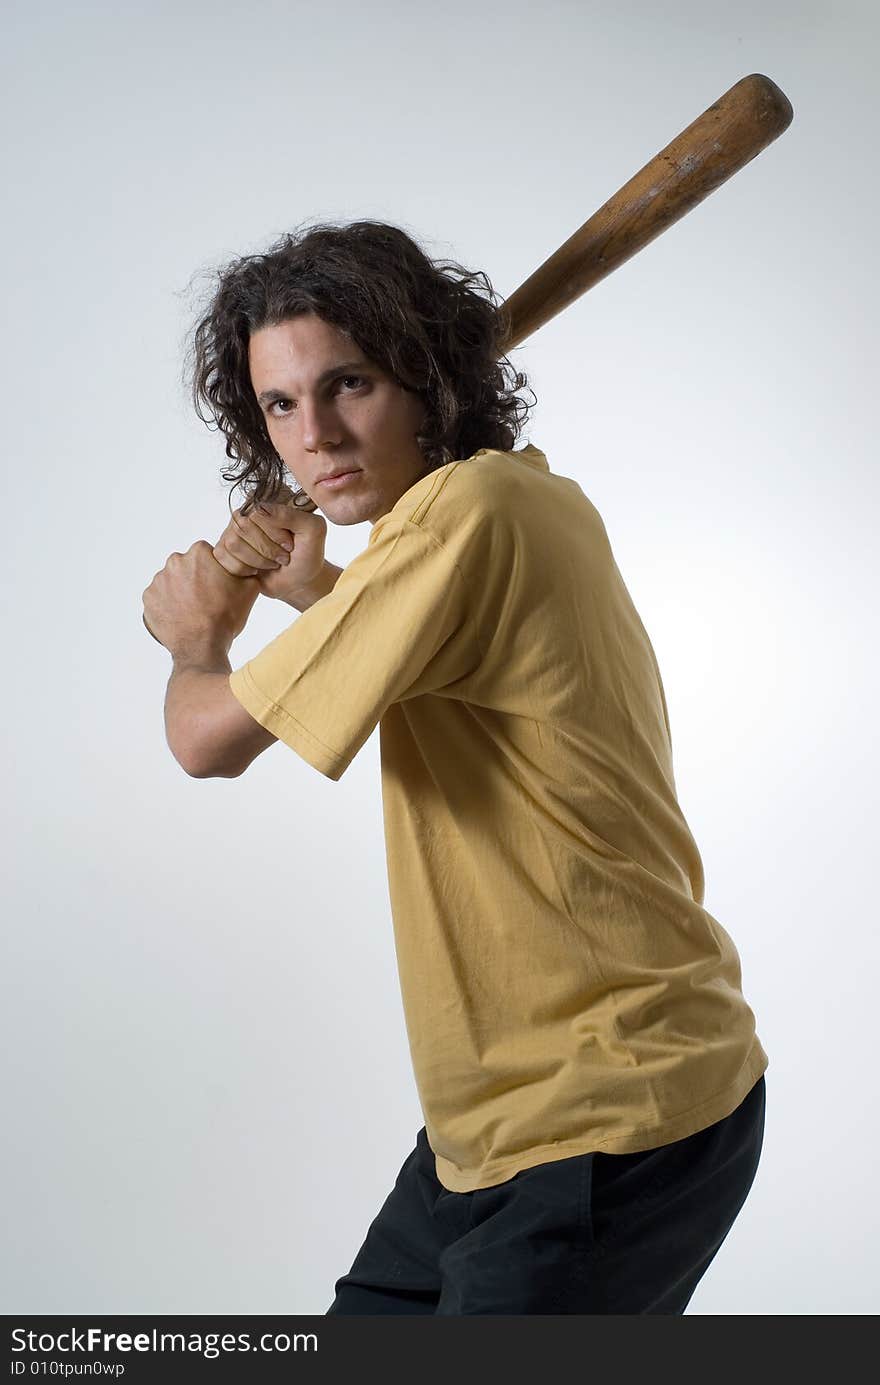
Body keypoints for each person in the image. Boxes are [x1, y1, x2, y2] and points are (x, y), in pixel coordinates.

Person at [142, 219, 768, 1315]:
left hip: (603, 1116)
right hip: (488, 1128)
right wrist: (314, 592)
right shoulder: (515, 497)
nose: (316, 434)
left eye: (350, 384)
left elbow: (206, 742)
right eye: (281, 405)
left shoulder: (464, 514)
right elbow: (455, 669)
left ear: (427, 375)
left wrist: (199, 640)